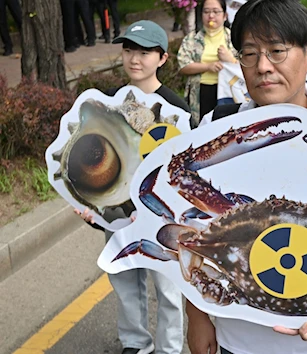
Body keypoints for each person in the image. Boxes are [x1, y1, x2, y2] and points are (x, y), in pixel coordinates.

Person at [186, 1, 307, 353]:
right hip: (236, 337)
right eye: (250, 53)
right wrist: (196, 315)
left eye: (277, 51)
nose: (263, 67)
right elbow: (190, 227)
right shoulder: (217, 128)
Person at [76, 20, 190, 354]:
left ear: (163, 58)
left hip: (163, 216)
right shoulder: (106, 104)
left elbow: (184, 168)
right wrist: (87, 203)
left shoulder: (175, 109)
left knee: (168, 287)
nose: (134, 59)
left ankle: (169, 348)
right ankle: (135, 343)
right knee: (125, 279)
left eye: (144, 52)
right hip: (118, 212)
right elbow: (85, 155)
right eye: (128, 50)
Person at [177, 0, 237, 126]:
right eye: (206, 11)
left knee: (226, 128)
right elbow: (183, 66)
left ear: (225, 15)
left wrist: (230, 59)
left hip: (227, 93)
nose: (211, 16)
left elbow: (247, 65)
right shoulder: (192, 39)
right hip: (200, 93)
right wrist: (207, 67)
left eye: (216, 12)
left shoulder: (233, 38)